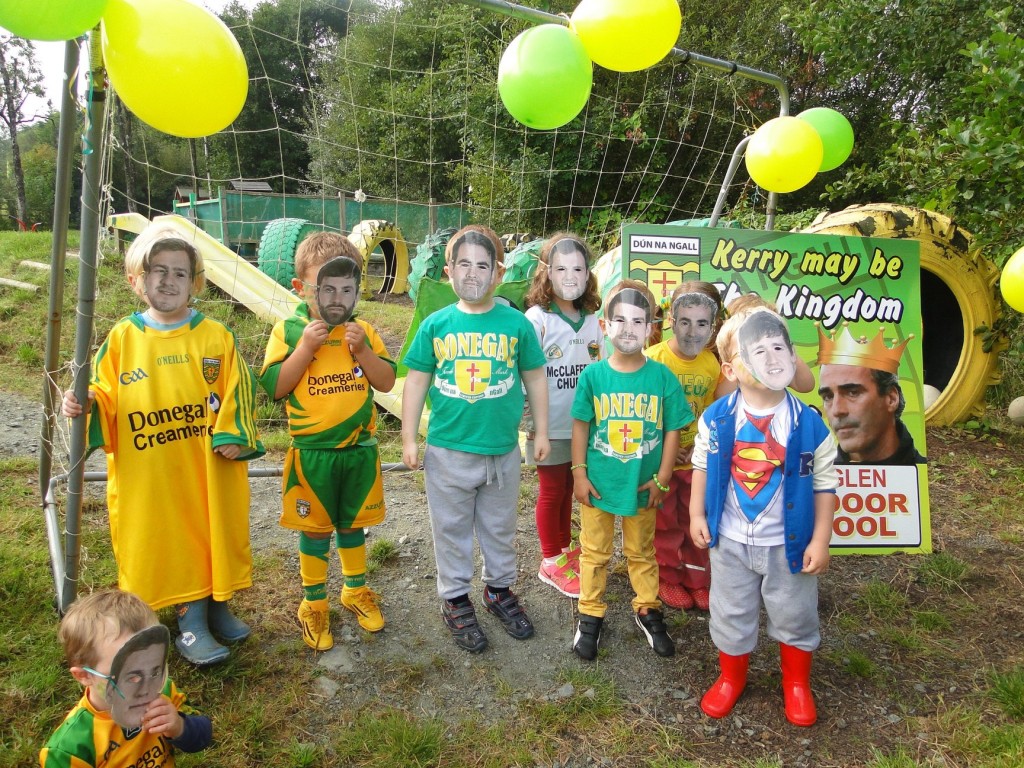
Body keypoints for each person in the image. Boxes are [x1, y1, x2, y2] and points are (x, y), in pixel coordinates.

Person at [61, 233, 264, 667]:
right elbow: (102, 392)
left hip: (205, 464)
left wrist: (232, 433)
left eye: (180, 273)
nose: (169, 281)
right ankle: (189, 624)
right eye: (159, 271)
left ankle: (215, 604)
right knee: (165, 538)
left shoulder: (215, 335)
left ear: (195, 282)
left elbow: (239, 388)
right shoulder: (121, 338)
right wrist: (85, 402)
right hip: (149, 471)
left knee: (212, 529)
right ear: (137, 280)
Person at [402, 224, 550, 654]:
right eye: (463, 263)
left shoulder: (516, 324)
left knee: (500, 527)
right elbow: (415, 382)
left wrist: (540, 428)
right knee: (450, 530)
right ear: (448, 271)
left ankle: (499, 590)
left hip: (501, 451)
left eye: (482, 265)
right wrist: (410, 437)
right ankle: (454, 597)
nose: (472, 273)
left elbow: (535, 378)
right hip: (447, 450)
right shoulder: (436, 325)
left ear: (498, 274)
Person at [689, 306, 838, 726]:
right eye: (756, 350)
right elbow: (701, 466)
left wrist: (820, 539)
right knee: (730, 611)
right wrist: (696, 514)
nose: (770, 357)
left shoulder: (809, 424)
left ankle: (796, 684)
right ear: (731, 369)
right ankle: (731, 679)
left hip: (787, 547)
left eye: (778, 346)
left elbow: (825, 485)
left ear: (793, 357)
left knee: (795, 614)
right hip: (731, 542)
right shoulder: (717, 420)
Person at [259, 233, 397, 651]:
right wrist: (304, 348)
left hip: (358, 452)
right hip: (312, 456)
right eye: (326, 287)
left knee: (353, 523)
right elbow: (275, 387)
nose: (337, 296)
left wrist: (363, 355)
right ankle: (313, 601)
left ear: (358, 290)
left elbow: (387, 381)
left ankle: (355, 590)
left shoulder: (364, 331)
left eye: (347, 289)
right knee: (316, 530)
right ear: (302, 288)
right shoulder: (289, 331)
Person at [570, 281, 692, 661]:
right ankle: (590, 613)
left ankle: (647, 608)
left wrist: (662, 478)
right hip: (600, 485)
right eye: (619, 320)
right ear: (604, 326)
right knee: (594, 552)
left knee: (641, 551)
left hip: (643, 484)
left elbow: (673, 429)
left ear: (651, 326)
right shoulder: (593, 377)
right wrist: (578, 473)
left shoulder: (662, 378)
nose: (627, 328)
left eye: (637, 321)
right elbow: (580, 426)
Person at [40, 589, 212, 767]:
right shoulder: (70, 749)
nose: (146, 688)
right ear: (84, 675)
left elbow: (203, 735)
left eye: (154, 670)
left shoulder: (163, 692)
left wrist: (179, 726)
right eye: (130, 676)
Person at [523, 233, 603, 598]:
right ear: (546, 273)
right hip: (550, 426)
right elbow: (525, 374)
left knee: (572, 487)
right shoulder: (537, 319)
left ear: (588, 274)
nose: (570, 275)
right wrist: (534, 426)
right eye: (561, 268)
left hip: (584, 427)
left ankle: (565, 548)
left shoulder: (594, 320)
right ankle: (549, 560)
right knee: (552, 491)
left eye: (578, 268)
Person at [644, 282, 724, 611]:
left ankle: (696, 579)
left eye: (702, 323)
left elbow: (709, 413)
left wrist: (698, 447)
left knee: (696, 520)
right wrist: (664, 446)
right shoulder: (653, 360)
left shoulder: (711, 366)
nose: (692, 330)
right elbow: (642, 413)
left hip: (695, 461)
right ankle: (667, 577)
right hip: (660, 460)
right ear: (671, 320)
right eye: (685, 321)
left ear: (713, 326)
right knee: (664, 523)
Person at [816, 324, 924, 464]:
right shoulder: (816, 481)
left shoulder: (918, 474)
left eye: (853, 393)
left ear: (891, 398)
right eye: (828, 397)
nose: (837, 410)